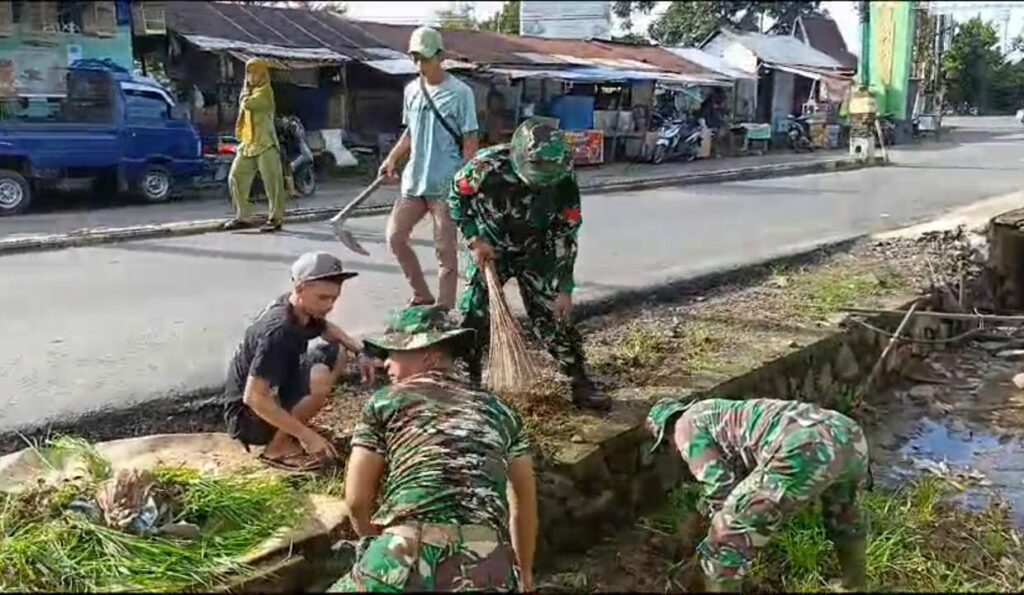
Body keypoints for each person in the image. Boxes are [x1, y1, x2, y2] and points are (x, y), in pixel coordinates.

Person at [330, 305, 538, 592]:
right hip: (485, 564)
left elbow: (356, 501)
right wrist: (524, 574)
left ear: (429, 355)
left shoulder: (385, 403)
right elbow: (524, 504)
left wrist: (375, 544)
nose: (386, 364)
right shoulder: (502, 412)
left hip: (405, 550)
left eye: (394, 354)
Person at [448, 117, 607, 410]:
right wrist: (474, 239)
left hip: (537, 253)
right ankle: (470, 383)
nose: (542, 178)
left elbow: (566, 232)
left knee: (552, 317)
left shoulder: (563, 178)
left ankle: (579, 380)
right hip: (492, 250)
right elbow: (457, 198)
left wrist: (564, 286)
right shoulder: (486, 167)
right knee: (473, 313)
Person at [645, 396, 870, 593]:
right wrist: (698, 520)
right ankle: (854, 585)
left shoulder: (684, 429)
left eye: (665, 447)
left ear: (665, 434)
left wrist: (721, 536)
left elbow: (720, 486)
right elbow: (741, 479)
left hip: (805, 446)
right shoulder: (713, 410)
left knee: (726, 536)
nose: (671, 452)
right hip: (846, 432)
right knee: (843, 512)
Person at [222, 251, 374, 472]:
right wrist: (308, 437)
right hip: (247, 419)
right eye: (323, 298)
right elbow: (253, 397)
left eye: (334, 298)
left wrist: (360, 352)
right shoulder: (279, 331)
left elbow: (327, 328)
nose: (329, 306)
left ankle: (290, 425)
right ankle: (277, 448)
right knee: (319, 375)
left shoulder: (299, 308)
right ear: (300, 288)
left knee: (336, 349)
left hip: (275, 390)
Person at [379, 26, 479, 310]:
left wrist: (467, 178)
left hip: (446, 182)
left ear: (440, 56)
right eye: (415, 59)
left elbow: (470, 138)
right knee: (395, 237)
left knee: (445, 250)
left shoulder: (461, 93)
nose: (420, 65)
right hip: (414, 180)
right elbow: (410, 132)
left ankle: (444, 308)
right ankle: (421, 294)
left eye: (425, 58)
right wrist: (392, 159)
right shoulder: (412, 90)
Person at [224, 58, 287, 233]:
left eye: (256, 72)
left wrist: (244, 92)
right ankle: (242, 216)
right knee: (235, 178)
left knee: (272, 183)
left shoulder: (265, 92)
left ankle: (275, 218)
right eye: (249, 72)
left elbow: (248, 104)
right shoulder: (249, 91)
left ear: (263, 74)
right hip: (248, 143)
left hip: (265, 143)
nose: (252, 76)